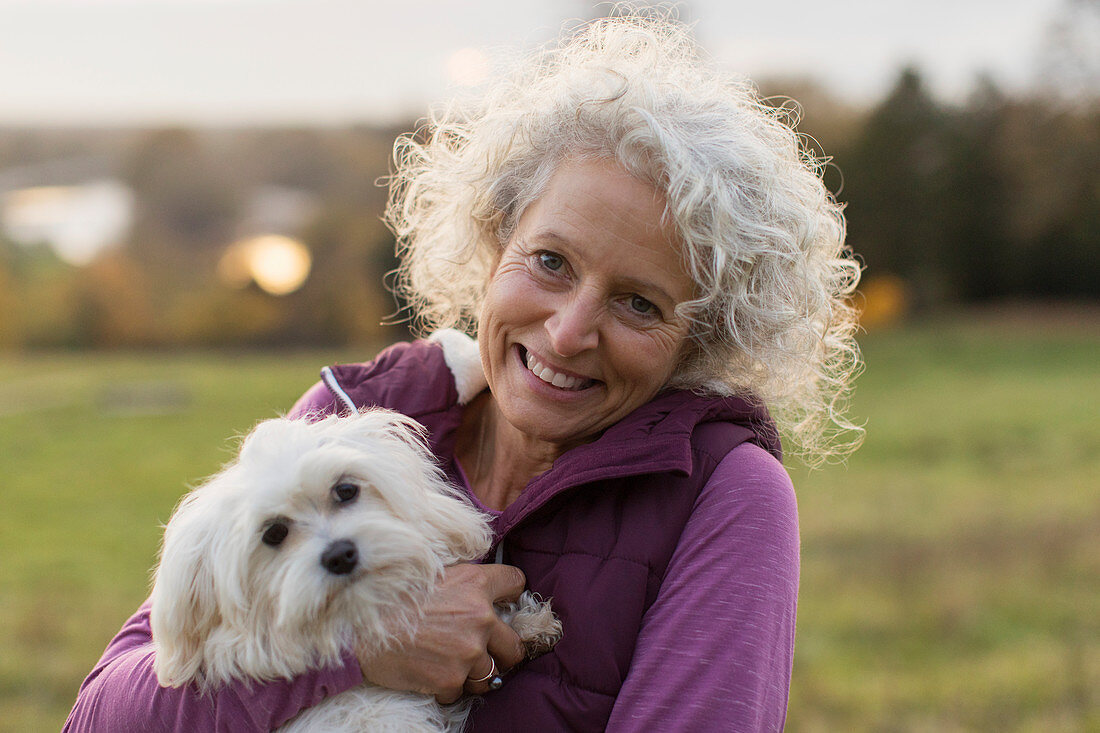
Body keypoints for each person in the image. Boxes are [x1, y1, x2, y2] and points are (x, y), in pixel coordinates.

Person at [65, 9, 862, 732]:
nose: (569, 330)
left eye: (639, 304)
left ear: (701, 338)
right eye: (550, 260)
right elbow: (101, 716)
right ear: (492, 239)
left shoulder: (726, 493)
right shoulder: (355, 416)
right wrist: (361, 656)